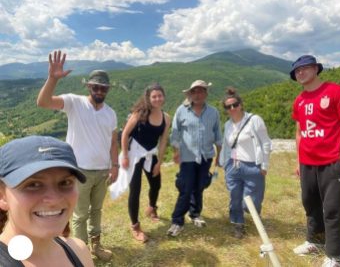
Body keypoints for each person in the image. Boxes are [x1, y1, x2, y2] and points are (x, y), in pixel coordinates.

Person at [37, 50, 118, 261]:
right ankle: (81, 255)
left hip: (102, 171)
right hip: (79, 171)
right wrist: (52, 79)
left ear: (107, 90)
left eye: (103, 87)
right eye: (96, 86)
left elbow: (113, 141)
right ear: (89, 87)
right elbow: (43, 102)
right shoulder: (74, 102)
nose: (99, 90)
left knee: (97, 210)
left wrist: (115, 165)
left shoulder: (111, 113)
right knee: (80, 215)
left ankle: (96, 247)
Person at [291, 55, 340, 267]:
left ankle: (335, 256)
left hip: (331, 161)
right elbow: (300, 132)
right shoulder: (299, 100)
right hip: (308, 162)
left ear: (316, 69)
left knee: (333, 208)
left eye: (305, 68)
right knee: (311, 204)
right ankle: (315, 242)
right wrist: (299, 160)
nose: (300, 73)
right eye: (297, 71)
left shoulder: (336, 92)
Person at [0, 135, 94, 267]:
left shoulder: (79, 251)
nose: (54, 200)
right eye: (33, 185)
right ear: (2, 196)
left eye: (65, 182)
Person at [114, 83, 171, 242]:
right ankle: (135, 226)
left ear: (164, 97)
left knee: (156, 184)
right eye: (154, 96)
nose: (157, 99)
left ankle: (152, 207)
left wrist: (159, 162)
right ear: (148, 98)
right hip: (134, 154)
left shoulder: (166, 118)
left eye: (160, 95)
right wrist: (124, 155)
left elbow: (163, 140)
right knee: (135, 190)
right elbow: (125, 134)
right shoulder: (140, 114)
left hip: (150, 153)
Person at [167, 80, 222, 237]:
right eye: (194, 92)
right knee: (186, 189)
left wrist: (219, 155)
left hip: (206, 156)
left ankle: (195, 214)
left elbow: (218, 134)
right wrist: (176, 152)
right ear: (190, 94)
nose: (197, 95)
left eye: (201, 91)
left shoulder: (213, 112)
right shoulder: (182, 111)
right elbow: (175, 133)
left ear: (206, 93)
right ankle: (177, 221)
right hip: (188, 157)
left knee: (199, 187)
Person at [219, 87, 272, 239]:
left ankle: (251, 214)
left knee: (253, 200)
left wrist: (264, 165)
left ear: (241, 104)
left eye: (235, 104)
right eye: (228, 107)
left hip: (252, 166)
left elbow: (266, 143)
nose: (232, 108)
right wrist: (224, 164)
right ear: (226, 110)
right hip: (233, 166)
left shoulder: (254, 120)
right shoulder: (228, 125)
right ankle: (238, 224)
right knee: (234, 196)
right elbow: (226, 144)